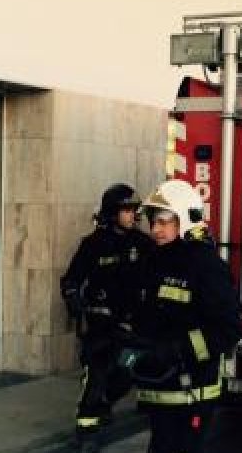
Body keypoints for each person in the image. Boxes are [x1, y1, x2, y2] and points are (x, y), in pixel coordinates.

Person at [125, 179, 242, 453]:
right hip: (159, 387)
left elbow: (228, 329)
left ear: (186, 219)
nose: (156, 230)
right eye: (154, 221)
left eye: (165, 222)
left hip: (193, 392)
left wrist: (180, 348)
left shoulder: (206, 264)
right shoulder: (153, 260)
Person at [60, 183, 153, 453]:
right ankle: (86, 429)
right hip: (101, 324)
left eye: (134, 210)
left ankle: (104, 404)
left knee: (129, 369)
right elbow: (72, 279)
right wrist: (73, 297)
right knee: (97, 374)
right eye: (126, 209)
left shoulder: (144, 244)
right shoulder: (93, 245)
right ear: (112, 212)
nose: (132, 215)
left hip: (133, 327)